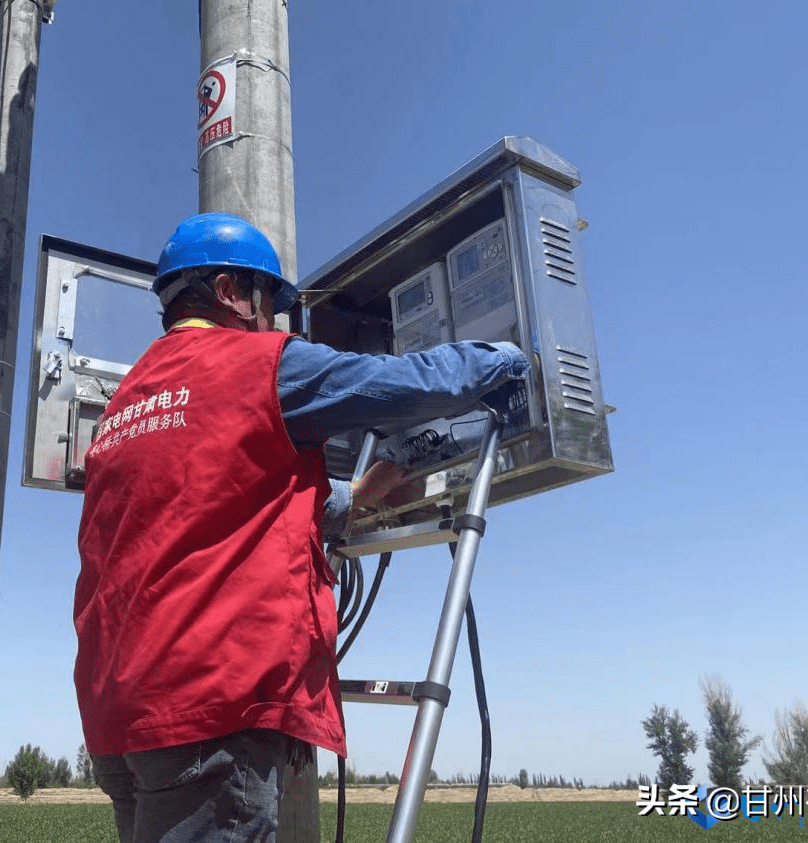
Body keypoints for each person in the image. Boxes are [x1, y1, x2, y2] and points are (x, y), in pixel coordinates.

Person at [74, 213, 528, 843]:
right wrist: (506, 356)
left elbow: (206, 504)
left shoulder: (129, 401)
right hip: (210, 703)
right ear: (234, 292)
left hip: (119, 710)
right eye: (273, 305)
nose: (279, 326)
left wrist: (356, 497)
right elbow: (408, 384)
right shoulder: (261, 364)